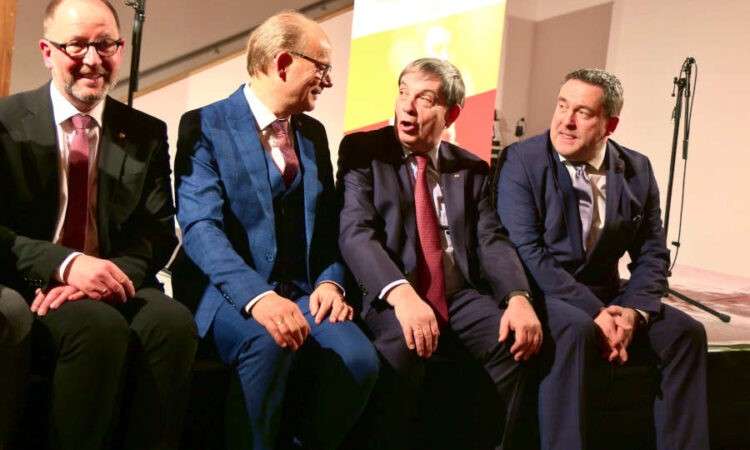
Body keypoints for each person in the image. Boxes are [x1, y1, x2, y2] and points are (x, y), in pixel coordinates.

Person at [174, 11, 379, 450]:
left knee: (359, 362)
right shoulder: (205, 124)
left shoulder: (314, 134)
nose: (327, 80)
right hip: (229, 294)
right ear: (284, 63)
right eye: (321, 67)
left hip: (304, 293)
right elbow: (200, 228)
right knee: (269, 343)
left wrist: (329, 282)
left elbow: (326, 223)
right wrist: (258, 297)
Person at [0, 1, 198, 448]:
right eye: (77, 45)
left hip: (114, 277)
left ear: (121, 47)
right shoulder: (7, 122)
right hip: (32, 279)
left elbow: (157, 231)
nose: (93, 59)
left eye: (105, 44)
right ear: (47, 51)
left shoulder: (145, 131)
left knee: (173, 324)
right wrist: (67, 265)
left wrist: (107, 277)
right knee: (97, 328)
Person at [496, 68, 708, 450]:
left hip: (610, 295)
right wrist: (597, 312)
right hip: (547, 290)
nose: (566, 120)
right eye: (562, 106)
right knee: (578, 330)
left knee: (687, 334)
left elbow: (652, 251)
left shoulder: (637, 168)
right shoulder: (522, 160)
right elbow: (528, 251)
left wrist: (633, 312)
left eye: (582, 112)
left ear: (609, 123)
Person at [337, 58, 542, 450]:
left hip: (457, 296)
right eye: (403, 93)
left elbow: (491, 240)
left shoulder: (471, 168)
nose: (407, 107)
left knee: (515, 342)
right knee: (404, 341)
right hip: (392, 292)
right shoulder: (365, 151)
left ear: (451, 113)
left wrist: (518, 297)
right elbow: (355, 233)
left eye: (424, 98)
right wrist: (402, 295)